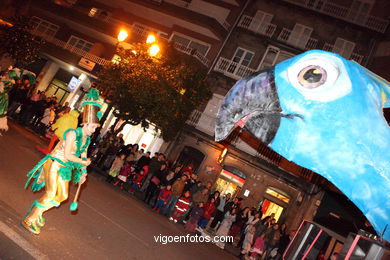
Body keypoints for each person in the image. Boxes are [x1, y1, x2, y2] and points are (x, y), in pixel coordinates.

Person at [22, 88, 102, 235]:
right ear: (85, 124)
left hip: (65, 168)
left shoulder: (87, 138)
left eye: (96, 128)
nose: (94, 130)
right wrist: (83, 163)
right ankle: (31, 218)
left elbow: (83, 155)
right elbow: (68, 155)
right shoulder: (72, 133)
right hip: (55, 163)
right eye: (93, 127)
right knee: (51, 193)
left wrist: (84, 172)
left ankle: (39, 212)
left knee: (63, 196)